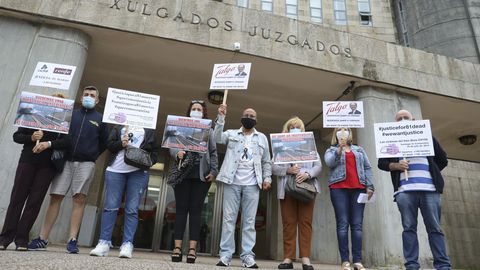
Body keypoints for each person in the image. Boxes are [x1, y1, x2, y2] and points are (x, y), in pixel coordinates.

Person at [29, 86, 109, 253]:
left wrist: (92, 154)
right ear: (81, 97)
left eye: (92, 95)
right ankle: (42, 238)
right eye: (86, 94)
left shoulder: (101, 119)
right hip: (65, 161)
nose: (88, 97)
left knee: (79, 199)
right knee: (55, 197)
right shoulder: (70, 114)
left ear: (97, 100)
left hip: (86, 163)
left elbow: (104, 142)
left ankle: (72, 239)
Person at [378, 110, 451, 270]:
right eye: (399, 119)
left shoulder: (427, 137)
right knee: (409, 228)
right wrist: (396, 166)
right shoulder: (390, 140)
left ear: (414, 120)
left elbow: (443, 159)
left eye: (406, 118)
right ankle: (411, 266)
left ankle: (443, 266)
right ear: (395, 124)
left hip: (430, 190)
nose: (403, 120)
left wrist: (432, 172)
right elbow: (382, 163)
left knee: (435, 229)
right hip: (405, 191)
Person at [0, 93, 70, 251]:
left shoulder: (63, 123)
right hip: (27, 161)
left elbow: (67, 142)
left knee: (35, 201)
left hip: (48, 165)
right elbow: (17, 136)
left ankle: (22, 239)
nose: (55, 106)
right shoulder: (32, 119)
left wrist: (49, 144)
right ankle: (5, 237)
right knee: (17, 198)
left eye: (58, 104)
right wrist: (32, 137)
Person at [214, 104, 272, 268]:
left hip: (253, 184)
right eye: (246, 114)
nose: (249, 117)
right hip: (231, 182)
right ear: (241, 117)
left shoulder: (262, 138)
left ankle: (247, 256)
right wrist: (221, 118)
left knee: (249, 222)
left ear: (256, 120)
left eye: (252, 116)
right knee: (228, 220)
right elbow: (217, 138)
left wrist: (267, 178)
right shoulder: (232, 133)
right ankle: (225, 255)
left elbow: (266, 161)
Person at [89, 124, 158, 258]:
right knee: (110, 207)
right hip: (115, 170)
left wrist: (149, 162)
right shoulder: (118, 125)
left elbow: (155, 151)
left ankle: (127, 244)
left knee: (132, 209)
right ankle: (103, 242)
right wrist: (121, 143)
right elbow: (109, 145)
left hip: (138, 173)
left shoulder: (148, 128)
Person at [168, 100, 218, 264]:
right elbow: (171, 144)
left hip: (201, 175)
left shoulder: (209, 130)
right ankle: (177, 248)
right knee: (181, 210)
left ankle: (192, 250)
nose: (196, 111)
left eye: (199, 109)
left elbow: (213, 152)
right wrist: (177, 153)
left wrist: (213, 171)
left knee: (196, 211)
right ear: (189, 111)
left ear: (203, 113)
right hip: (183, 173)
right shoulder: (180, 126)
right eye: (193, 109)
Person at [272, 117, 322, 270]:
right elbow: (272, 167)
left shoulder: (310, 145)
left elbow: (318, 166)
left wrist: (307, 173)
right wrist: (287, 170)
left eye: (297, 126)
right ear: (287, 129)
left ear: (302, 130)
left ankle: (305, 258)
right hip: (287, 188)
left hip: (306, 187)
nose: (294, 128)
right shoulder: (279, 147)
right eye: (291, 126)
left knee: (306, 222)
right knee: (288, 223)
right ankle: (288, 258)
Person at [324, 128, 374, 270]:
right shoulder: (331, 150)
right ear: (336, 134)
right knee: (342, 224)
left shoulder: (359, 150)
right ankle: (345, 261)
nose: (343, 131)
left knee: (357, 225)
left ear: (350, 133)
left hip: (358, 188)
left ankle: (357, 261)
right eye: (339, 129)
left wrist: (370, 186)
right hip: (338, 189)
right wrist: (339, 148)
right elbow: (329, 163)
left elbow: (367, 167)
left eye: (346, 129)